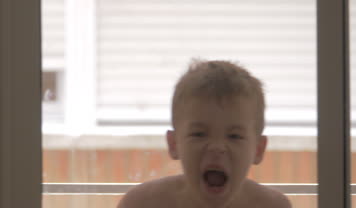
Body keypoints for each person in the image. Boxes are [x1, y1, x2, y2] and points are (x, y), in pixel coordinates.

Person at [117, 59, 292, 208]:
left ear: (258, 149)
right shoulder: (142, 204)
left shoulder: (273, 206)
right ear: (174, 144)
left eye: (234, 136)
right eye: (199, 134)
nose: (216, 148)